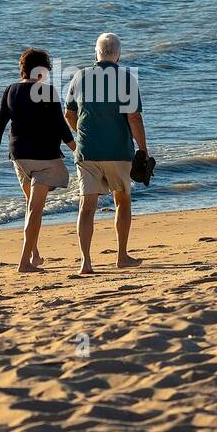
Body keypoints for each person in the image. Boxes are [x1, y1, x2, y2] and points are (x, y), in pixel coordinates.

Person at [0, 47, 75, 273]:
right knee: (35, 209)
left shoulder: (10, 90)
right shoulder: (48, 92)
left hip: (19, 157)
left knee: (30, 205)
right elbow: (61, 128)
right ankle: (24, 263)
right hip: (43, 158)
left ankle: (34, 254)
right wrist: (78, 151)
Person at [64, 32, 148, 275]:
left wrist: (82, 133)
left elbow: (68, 114)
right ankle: (121, 256)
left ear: (96, 53)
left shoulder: (79, 77)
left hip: (87, 151)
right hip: (119, 151)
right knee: (122, 201)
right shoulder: (126, 79)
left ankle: (86, 263)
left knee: (86, 206)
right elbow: (134, 117)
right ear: (118, 55)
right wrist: (143, 149)